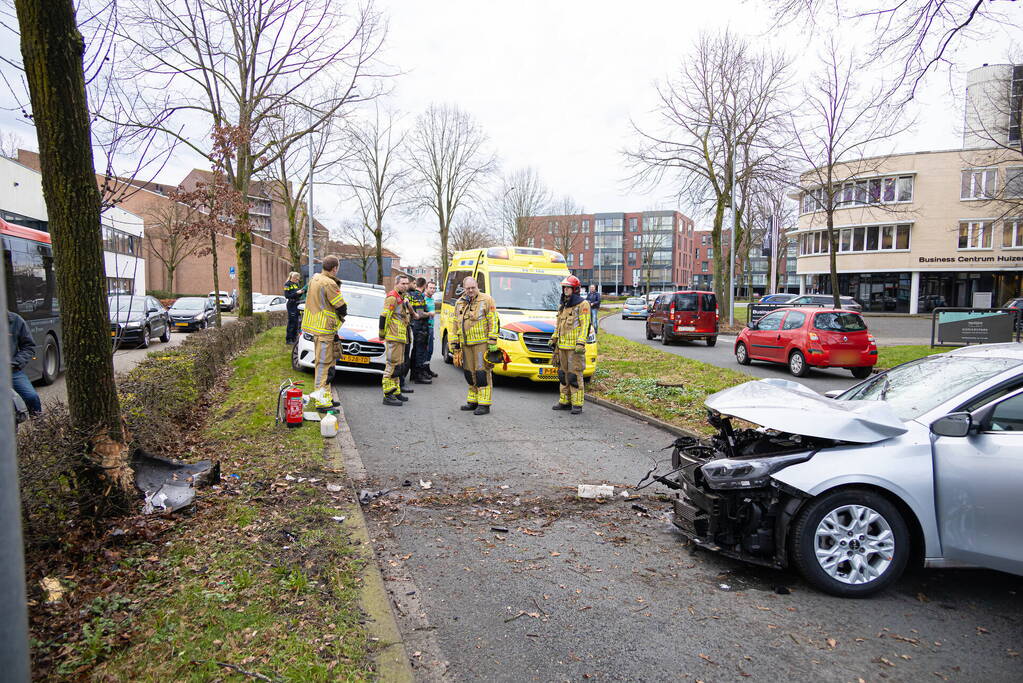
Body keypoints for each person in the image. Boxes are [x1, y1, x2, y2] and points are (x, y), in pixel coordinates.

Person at [300, 256, 347, 410]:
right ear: (335, 268)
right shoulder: (329, 283)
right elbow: (341, 307)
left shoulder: (315, 278)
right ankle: (321, 401)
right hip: (325, 329)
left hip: (318, 327)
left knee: (328, 365)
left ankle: (326, 397)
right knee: (324, 365)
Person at [450, 276, 499, 415]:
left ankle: (484, 404)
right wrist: (455, 343)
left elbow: (494, 320)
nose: (471, 290)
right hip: (466, 345)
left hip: (481, 344)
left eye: (473, 288)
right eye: (468, 288)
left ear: (477, 286)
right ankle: (473, 401)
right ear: (464, 288)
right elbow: (455, 324)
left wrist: (492, 341)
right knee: (469, 374)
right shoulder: (459, 303)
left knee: (482, 373)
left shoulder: (487, 300)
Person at [550, 275, 591, 415]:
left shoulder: (583, 305)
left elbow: (585, 325)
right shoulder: (564, 305)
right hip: (562, 347)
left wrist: (581, 342)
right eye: (564, 287)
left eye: (568, 287)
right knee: (563, 375)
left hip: (574, 349)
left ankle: (577, 404)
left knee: (574, 376)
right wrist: (554, 338)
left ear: (575, 289)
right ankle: (564, 401)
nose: (566, 290)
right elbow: (559, 324)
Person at [379, 274, 413, 406]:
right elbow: (384, 316)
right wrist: (382, 334)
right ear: (396, 283)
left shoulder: (402, 297)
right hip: (393, 337)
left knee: (398, 366)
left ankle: (396, 392)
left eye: (407, 283)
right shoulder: (392, 297)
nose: (405, 286)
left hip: (401, 337)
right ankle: (387, 395)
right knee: (392, 366)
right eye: (403, 283)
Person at [8, 310, 41, 416]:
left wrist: (15, 363)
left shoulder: (14, 320)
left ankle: (40, 427)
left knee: (32, 397)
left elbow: (28, 347)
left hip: (12, 371)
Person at [408, 277, 434, 384]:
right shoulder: (418, 296)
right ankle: (418, 376)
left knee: (415, 351)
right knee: (420, 351)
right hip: (420, 327)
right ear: (424, 285)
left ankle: (414, 374)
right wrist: (430, 314)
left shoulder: (411, 295)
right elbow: (420, 313)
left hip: (415, 326)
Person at [283, 271, 305, 345]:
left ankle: (294, 338)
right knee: (292, 322)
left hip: (297, 303)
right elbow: (287, 295)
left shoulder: (296, 284)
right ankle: (288, 339)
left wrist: (301, 293)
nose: (297, 280)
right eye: (297, 278)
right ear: (293, 277)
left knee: (296, 322)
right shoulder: (287, 284)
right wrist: (296, 293)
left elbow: (297, 295)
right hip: (291, 304)